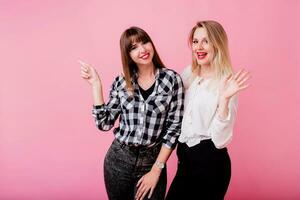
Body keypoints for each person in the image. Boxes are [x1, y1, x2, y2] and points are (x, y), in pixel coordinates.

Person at [79, 26, 184, 200]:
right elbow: (104, 123)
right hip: (119, 159)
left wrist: (156, 169)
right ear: (127, 55)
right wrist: (96, 84)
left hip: (152, 161)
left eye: (144, 42)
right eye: (134, 48)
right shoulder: (121, 82)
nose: (142, 50)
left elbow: (174, 128)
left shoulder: (172, 80)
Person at [166, 20, 251, 200]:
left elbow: (220, 140)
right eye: (195, 41)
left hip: (211, 164)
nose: (199, 47)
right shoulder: (188, 73)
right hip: (184, 161)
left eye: (205, 41)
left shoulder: (227, 82)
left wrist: (225, 100)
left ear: (217, 43)